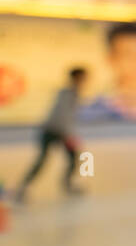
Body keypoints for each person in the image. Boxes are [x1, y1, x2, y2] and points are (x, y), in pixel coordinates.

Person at [15, 67, 87, 201]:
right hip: (53, 130)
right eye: (83, 77)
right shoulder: (67, 94)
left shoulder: (73, 93)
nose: (85, 80)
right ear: (76, 77)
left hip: (61, 131)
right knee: (43, 160)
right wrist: (69, 135)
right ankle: (22, 188)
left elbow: (69, 117)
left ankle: (67, 184)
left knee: (73, 158)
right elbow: (62, 116)